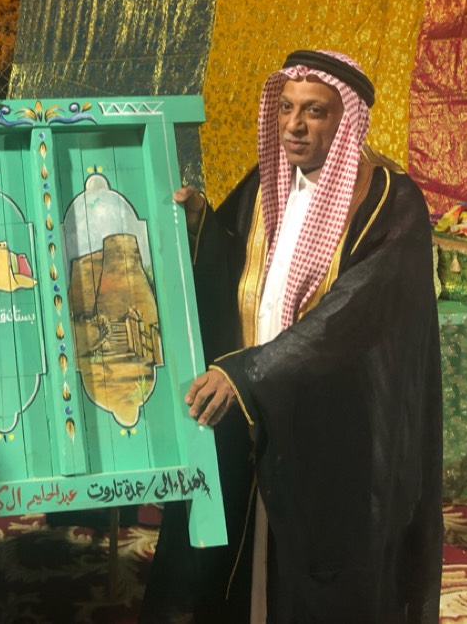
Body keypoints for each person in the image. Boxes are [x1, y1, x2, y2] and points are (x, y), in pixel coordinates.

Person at [141, 50, 442, 623]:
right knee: (241, 558)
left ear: (346, 119)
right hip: (257, 409)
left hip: (335, 426)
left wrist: (249, 372)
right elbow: (234, 265)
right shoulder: (267, 183)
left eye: (314, 111)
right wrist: (201, 225)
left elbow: (347, 316)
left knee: (317, 573)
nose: (295, 125)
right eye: (285, 108)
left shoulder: (390, 201)